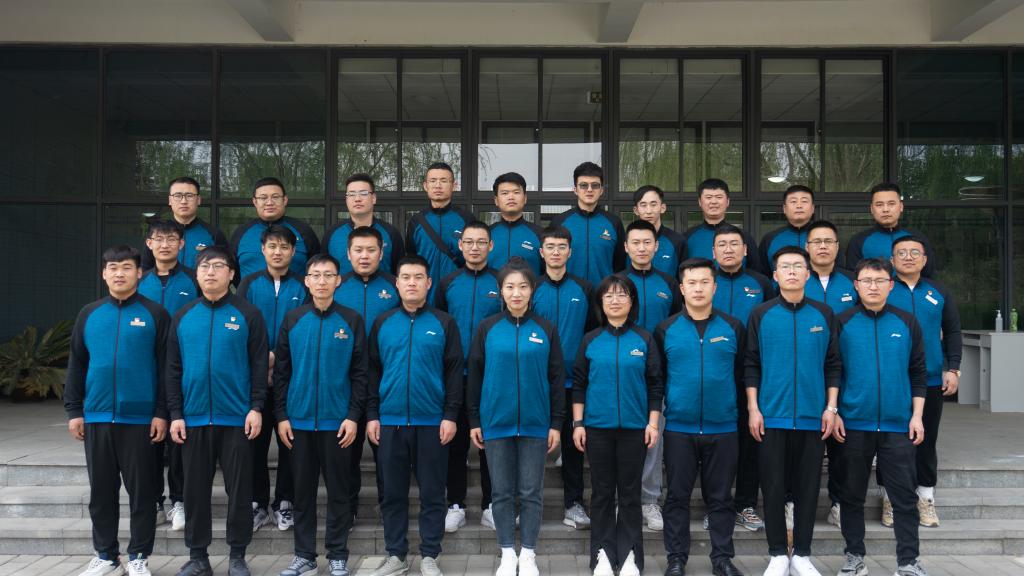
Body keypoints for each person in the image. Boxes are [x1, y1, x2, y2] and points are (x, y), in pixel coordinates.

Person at [66, 245, 170, 576]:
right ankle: (106, 556)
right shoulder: (89, 314)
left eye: (126, 267)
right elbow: (77, 364)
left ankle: (138, 557)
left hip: (141, 420)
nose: (119, 273)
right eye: (113, 268)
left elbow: (166, 367)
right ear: (103, 274)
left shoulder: (155, 314)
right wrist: (74, 410)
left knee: (143, 494)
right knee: (101, 493)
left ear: (139, 273)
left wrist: (161, 412)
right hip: (97, 417)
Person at [166, 246, 268, 576]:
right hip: (193, 419)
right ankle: (198, 557)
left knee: (239, 491)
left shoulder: (248, 314)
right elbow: (172, 369)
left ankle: (237, 555)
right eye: (204, 266)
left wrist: (256, 407)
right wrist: (176, 414)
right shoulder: (184, 316)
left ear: (232, 273)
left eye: (218, 266)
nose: (211, 272)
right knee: (195, 491)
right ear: (196, 274)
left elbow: (258, 366)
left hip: (236, 418)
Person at [745, 246, 842, 576]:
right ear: (775, 275)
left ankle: (801, 553)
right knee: (772, 487)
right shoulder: (761, 314)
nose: (791, 271)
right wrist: (753, 408)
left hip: (814, 417)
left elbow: (833, 364)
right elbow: (751, 364)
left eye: (797, 266)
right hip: (771, 416)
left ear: (807, 274)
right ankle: (776, 553)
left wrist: (831, 408)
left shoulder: (824, 314)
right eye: (784, 266)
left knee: (808, 488)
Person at [365, 256, 463, 576]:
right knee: (393, 494)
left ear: (428, 283)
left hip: (432, 423)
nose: (411, 283)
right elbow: (372, 372)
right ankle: (396, 555)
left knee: (433, 493)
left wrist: (450, 415)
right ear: (397, 283)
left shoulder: (444, 323)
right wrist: (372, 415)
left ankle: (429, 555)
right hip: (390, 422)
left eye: (418, 277)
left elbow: (453, 373)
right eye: (405, 277)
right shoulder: (383, 323)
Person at [833, 258, 930, 576]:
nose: (873, 286)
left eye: (879, 281)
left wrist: (917, 416)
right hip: (853, 424)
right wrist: (835, 411)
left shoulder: (907, 322)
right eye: (866, 281)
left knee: (904, 497)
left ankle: (908, 561)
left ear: (891, 285)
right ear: (856, 285)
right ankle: (854, 557)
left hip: (898, 425)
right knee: (851, 495)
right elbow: (833, 371)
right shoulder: (842, 322)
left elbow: (918, 373)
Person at [467, 260, 564, 576]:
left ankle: (529, 554)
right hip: (497, 422)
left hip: (536, 424)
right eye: (510, 287)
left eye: (523, 286)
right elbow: (475, 376)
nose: (516, 293)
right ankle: (508, 552)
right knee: (502, 492)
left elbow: (556, 378)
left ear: (532, 290)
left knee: (531, 492)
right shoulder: (487, 328)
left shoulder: (546, 329)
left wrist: (556, 423)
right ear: (501, 291)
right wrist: (474, 420)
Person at [273, 254, 368, 576]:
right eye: (316, 275)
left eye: (329, 275)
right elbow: (281, 373)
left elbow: (360, 373)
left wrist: (353, 416)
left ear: (338, 280)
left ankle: (337, 554)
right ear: (307, 281)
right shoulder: (293, 319)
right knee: (302, 493)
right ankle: (305, 556)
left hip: (338, 423)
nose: (322, 280)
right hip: (298, 423)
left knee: (340, 492)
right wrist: (281, 416)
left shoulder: (352, 320)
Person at [656, 258, 746, 576]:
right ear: (681, 288)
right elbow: (658, 378)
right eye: (691, 283)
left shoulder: (733, 327)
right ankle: (676, 559)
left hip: (724, 427)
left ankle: (722, 558)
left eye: (704, 282)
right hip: (679, 428)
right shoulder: (665, 329)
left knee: (721, 498)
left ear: (714, 287)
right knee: (677, 497)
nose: (698, 288)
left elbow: (741, 374)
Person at [573, 275, 663, 576]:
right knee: (601, 492)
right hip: (597, 428)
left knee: (629, 494)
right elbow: (579, 385)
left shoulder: (644, 339)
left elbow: (655, 385)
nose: (615, 300)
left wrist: (653, 424)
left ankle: (630, 556)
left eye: (622, 294)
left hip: (635, 430)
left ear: (631, 301)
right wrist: (578, 423)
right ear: (600, 302)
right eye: (608, 295)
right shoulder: (590, 340)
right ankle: (601, 553)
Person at [881, 236, 962, 529]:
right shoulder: (884, 288)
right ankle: (890, 499)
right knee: (889, 441)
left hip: (929, 379)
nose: (908, 257)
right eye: (901, 253)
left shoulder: (938, 291)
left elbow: (952, 331)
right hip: (891, 380)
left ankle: (925, 497)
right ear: (892, 261)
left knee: (925, 440)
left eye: (915, 252)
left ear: (925, 259)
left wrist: (953, 368)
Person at [237, 225, 309, 533]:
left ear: (293, 252)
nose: (277, 252)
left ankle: (285, 503)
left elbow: (307, 327)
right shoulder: (249, 284)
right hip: (254, 378)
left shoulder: (303, 286)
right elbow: (238, 324)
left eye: (284, 247)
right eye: (272, 246)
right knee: (254, 442)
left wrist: (279, 357)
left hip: (291, 377)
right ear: (262, 250)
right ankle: (257, 503)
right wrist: (260, 359)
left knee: (290, 442)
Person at [435, 221, 501, 533]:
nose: (475, 248)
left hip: (491, 375)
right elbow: (437, 324)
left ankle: (491, 504)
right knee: (456, 442)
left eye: (481, 242)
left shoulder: (501, 281)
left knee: (489, 442)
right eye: (469, 242)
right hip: (454, 375)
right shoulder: (447, 282)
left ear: (491, 246)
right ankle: (455, 504)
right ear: (461, 246)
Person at [617, 219, 681, 531]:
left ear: (656, 247)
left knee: (654, 440)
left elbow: (679, 324)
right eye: (635, 243)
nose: (641, 248)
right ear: (626, 247)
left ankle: (649, 499)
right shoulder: (615, 283)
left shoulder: (669, 284)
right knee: (622, 439)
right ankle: (623, 497)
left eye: (647, 243)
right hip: (622, 374)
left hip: (658, 375)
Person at [334, 226, 399, 524]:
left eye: (371, 250)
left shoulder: (395, 285)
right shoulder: (337, 285)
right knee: (346, 451)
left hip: (385, 381)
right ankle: (348, 509)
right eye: (358, 250)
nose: (364, 256)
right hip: (344, 382)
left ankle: (389, 508)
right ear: (348, 254)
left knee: (386, 452)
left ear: (381, 253)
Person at [711, 224, 772, 533]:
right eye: (722, 245)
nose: (728, 249)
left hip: (753, 372)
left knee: (751, 442)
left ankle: (745, 504)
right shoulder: (706, 282)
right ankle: (716, 505)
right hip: (714, 373)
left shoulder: (761, 284)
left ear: (745, 250)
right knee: (717, 446)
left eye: (734, 244)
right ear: (713, 252)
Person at [532, 226, 595, 531]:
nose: (556, 252)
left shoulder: (584, 288)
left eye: (561, 247)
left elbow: (593, 332)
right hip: (535, 380)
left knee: (572, 446)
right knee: (531, 443)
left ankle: (573, 504)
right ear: (541, 252)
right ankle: (525, 504)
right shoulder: (531, 287)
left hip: (573, 382)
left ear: (570, 252)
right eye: (550, 247)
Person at [138, 219, 197, 532]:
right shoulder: (139, 280)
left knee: (178, 439)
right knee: (148, 439)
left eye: (171, 239)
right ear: (149, 244)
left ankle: (179, 500)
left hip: (182, 369)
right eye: (158, 239)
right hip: (145, 370)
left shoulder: (194, 279)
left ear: (181, 244)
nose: (165, 245)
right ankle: (153, 500)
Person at [802, 220, 857, 528]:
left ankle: (837, 502)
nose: (822, 247)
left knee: (841, 443)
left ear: (837, 247)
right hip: (804, 373)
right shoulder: (796, 278)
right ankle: (794, 503)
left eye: (828, 241)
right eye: (816, 241)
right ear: (807, 247)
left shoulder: (852, 283)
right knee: (804, 444)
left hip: (845, 372)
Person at [405, 162, 473, 302]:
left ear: (454, 185)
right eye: (433, 181)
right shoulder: (417, 221)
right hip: (425, 296)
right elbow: (411, 260)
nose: (438, 185)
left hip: (458, 293)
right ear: (425, 186)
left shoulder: (466, 219)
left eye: (443, 181)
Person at [230, 176, 321, 279]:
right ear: (255, 202)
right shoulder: (241, 233)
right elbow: (231, 272)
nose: (269, 202)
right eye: (263, 198)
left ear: (285, 200)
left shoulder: (303, 231)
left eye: (275, 197)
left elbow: (318, 270)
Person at [551, 162, 626, 285]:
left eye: (595, 185)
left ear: (601, 190)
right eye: (583, 185)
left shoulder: (614, 223)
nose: (589, 189)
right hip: (569, 292)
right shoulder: (559, 222)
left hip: (604, 294)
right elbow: (550, 261)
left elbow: (621, 264)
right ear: (575, 190)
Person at [846, 182, 937, 278]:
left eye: (891, 204)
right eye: (879, 205)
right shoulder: (858, 241)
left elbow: (929, 275)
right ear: (872, 209)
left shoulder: (917, 238)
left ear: (901, 207)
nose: (885, 209)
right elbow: (852, 278)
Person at [323, 173, 405, 276]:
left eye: (363, 193)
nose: (357, 199)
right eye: (351, 194)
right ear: (346, 199)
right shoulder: (332, 234)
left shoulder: (391, 234)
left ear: (373, 198)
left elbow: (400, 274)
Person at [142, 176, 227, 271]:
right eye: (177, 196)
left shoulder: (213, 234)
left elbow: (224, 270)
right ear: (170, 200)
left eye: (189, 196)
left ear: (198, 200)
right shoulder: (156, 234)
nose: (183, 201)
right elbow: (146, 269)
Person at [683, 178, 760, 273]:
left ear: (727, 202)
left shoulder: (743, 236)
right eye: (708, 197)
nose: (713, 202)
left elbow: (756, 272)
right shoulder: (687, 237)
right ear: (700, 202)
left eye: (719, 197)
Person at [488, 172, 544, 274]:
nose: (511, 197)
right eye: (505, 193)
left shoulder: (540, 234)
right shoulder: (486, 234)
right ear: (496, 200)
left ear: (525, 198)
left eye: (516, 192)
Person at [632, 185, 687, 277]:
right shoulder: (628, 242)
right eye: (643, 205)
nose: (648, 211)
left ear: (663, 208)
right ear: (636, 210)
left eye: (653, 204)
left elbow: (684, 278)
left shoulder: (677, 241)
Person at [759, 185, 816, 273]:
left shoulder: (825, 238)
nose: (799, 206)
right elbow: (762, 275)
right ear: (785, 209)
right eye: (793, 201)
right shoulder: (770, 239)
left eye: (804, 201)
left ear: (812, 208)